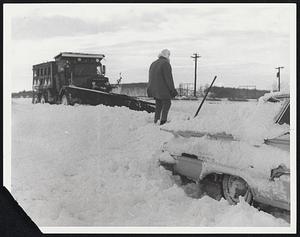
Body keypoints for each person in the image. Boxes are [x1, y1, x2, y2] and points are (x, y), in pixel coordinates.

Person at [147, 49, 178, 125]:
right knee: (167, 103)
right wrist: (172, 90)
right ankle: (163, 121)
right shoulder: (165, 64)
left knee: (158, 105)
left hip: (153, 88)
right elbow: (169, 79)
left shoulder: (153, 63)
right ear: (167, 55)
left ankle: (156, 120)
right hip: (162, 89)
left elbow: (150, 77)